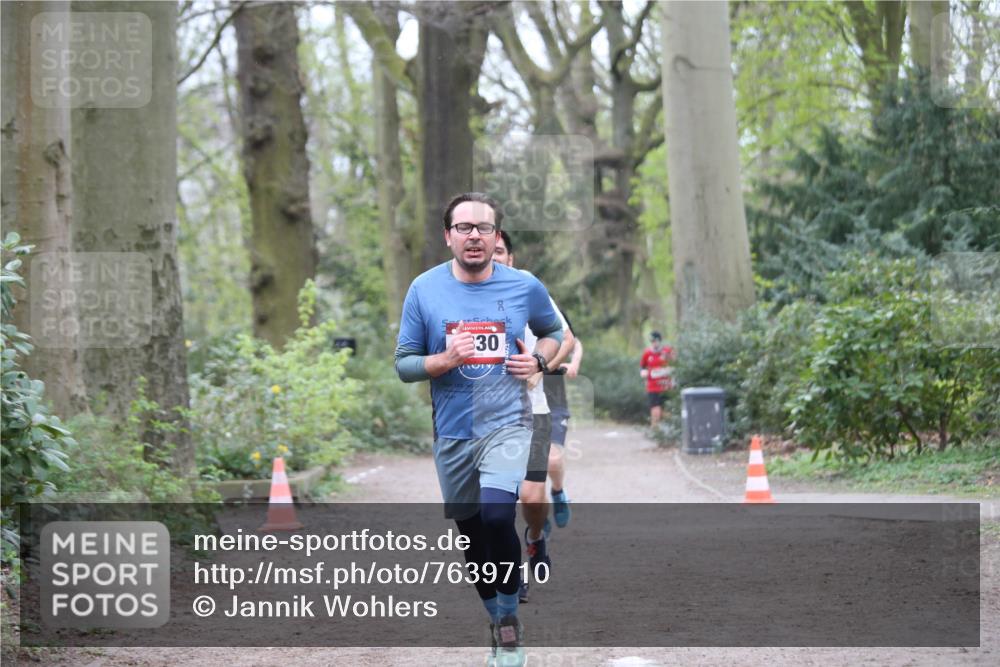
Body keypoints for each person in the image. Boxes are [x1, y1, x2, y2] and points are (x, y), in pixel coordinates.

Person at [395, 193, 563, 667]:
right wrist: (444, 360)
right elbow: (404, 364)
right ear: (447, 236)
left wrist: (539, 360)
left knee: (496, 516)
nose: (474, 236)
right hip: (452, 432)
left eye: (483, 228)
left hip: (506, 423)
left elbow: (553, 333)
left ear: (496, 237)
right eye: (464, 228)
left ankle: (509, 619)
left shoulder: (524, 285)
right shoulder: (424, 289)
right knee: (471, 535)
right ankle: (496, 618)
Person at [493, 232, 575, 603]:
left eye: (500, 251)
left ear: (510, 258)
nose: (493, 257)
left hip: (534, 412)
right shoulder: (461, 293)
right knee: (497, 507)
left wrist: (541, 367)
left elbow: (566, 338)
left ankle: (536, 538)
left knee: (529, 496)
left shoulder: (527, 287)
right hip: (486, 418)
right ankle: (513, 577)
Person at [640, 331, 674, 429]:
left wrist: (670, 371)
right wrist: (643, 372)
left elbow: (674, 363)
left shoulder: (667, 351)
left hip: (666, 386)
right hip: (653, 386)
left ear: (660, 341)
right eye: (652, 341)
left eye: (656, 341)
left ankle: (669, 430)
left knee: (667, 410)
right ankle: (655, 430)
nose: (654, 343)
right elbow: (642, 367)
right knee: (655, 409)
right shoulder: (647, 353)